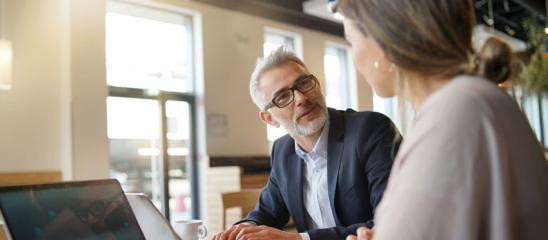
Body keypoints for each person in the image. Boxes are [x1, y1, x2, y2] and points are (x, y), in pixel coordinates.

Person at [331, 0, 548, 239]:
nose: (353, 57)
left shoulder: (454, 115)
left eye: (351, 41)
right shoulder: (474, 101)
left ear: (384, 43)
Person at [212, 47, 401, 240]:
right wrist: (240, 230)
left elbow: (392, 222)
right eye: (283, 96)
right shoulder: (282, 150)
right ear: (269, 118)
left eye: (304, 83)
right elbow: (267, 212)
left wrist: (298, 239)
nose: (302, 98)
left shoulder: (370, 130)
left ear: (317, 84)